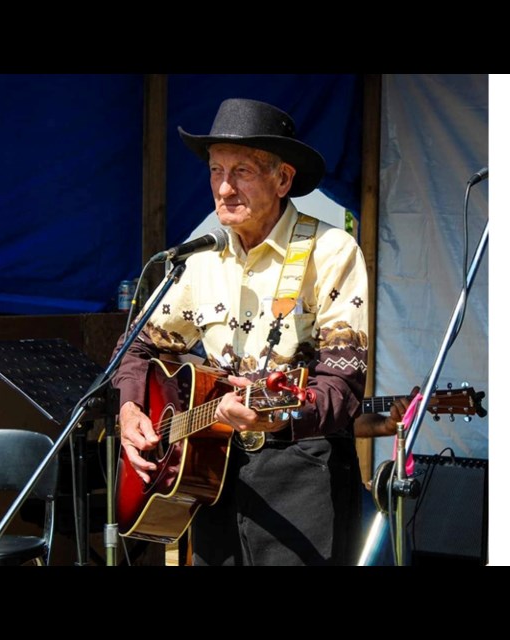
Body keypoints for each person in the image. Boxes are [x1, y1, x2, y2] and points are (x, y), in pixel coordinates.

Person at [111, 98, 369, 566]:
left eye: (242, 171)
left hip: (302, 476)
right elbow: (135, 350)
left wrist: (279, 415)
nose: (224, 188)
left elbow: (342, 386)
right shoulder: (198, 260)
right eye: (215, 171)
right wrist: (131, 411)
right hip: (211, 475)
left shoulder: (330, 250)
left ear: (283, 179)